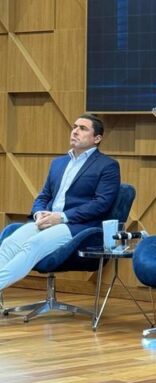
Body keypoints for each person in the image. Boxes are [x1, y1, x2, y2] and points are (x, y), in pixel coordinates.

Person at [0, 114, 120, 295]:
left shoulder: (107, 166)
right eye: (74, 127)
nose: (75, 131)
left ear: (97, 138)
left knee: (33, 244)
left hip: (77, 226)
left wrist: (62, 217)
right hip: (46, 220)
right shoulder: (58, 163)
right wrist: (39, 213)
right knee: (9, 243)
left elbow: (101, 204)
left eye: (83, 128)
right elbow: (43, 196)